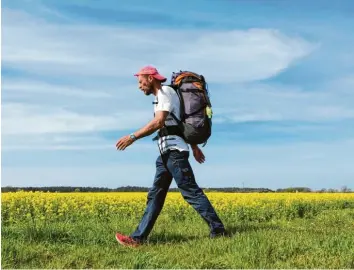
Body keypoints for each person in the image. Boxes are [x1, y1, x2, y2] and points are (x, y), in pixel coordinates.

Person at [115, 65, 226, 247]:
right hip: (166, 154)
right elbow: (177, 122)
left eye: (140, 81)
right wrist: (194, 146)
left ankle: (219, 230)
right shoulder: (164, 95)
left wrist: (132, 137)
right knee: (156, 196)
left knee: (191, 192)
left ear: (151, 78)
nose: (139, 86)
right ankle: (138, 239)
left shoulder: (165, 92)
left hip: (174, 153)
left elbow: (159, 122)